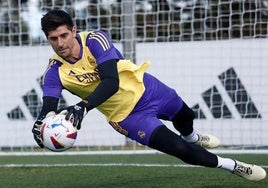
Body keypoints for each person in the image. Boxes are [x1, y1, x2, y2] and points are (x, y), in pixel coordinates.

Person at [32, 9, 266, 181]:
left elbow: (111, 82)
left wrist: (82, 106)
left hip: (147, 89)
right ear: (47, 39)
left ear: (74, 30)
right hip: (127, 117)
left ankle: (192, 135)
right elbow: (49, 105)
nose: (60, 43)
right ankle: (233, 165)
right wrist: (42, 124)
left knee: (186, 115)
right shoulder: (53, 71)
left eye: (64, 35)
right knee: (180, 150)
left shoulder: (95, 40)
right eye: (53, 39)